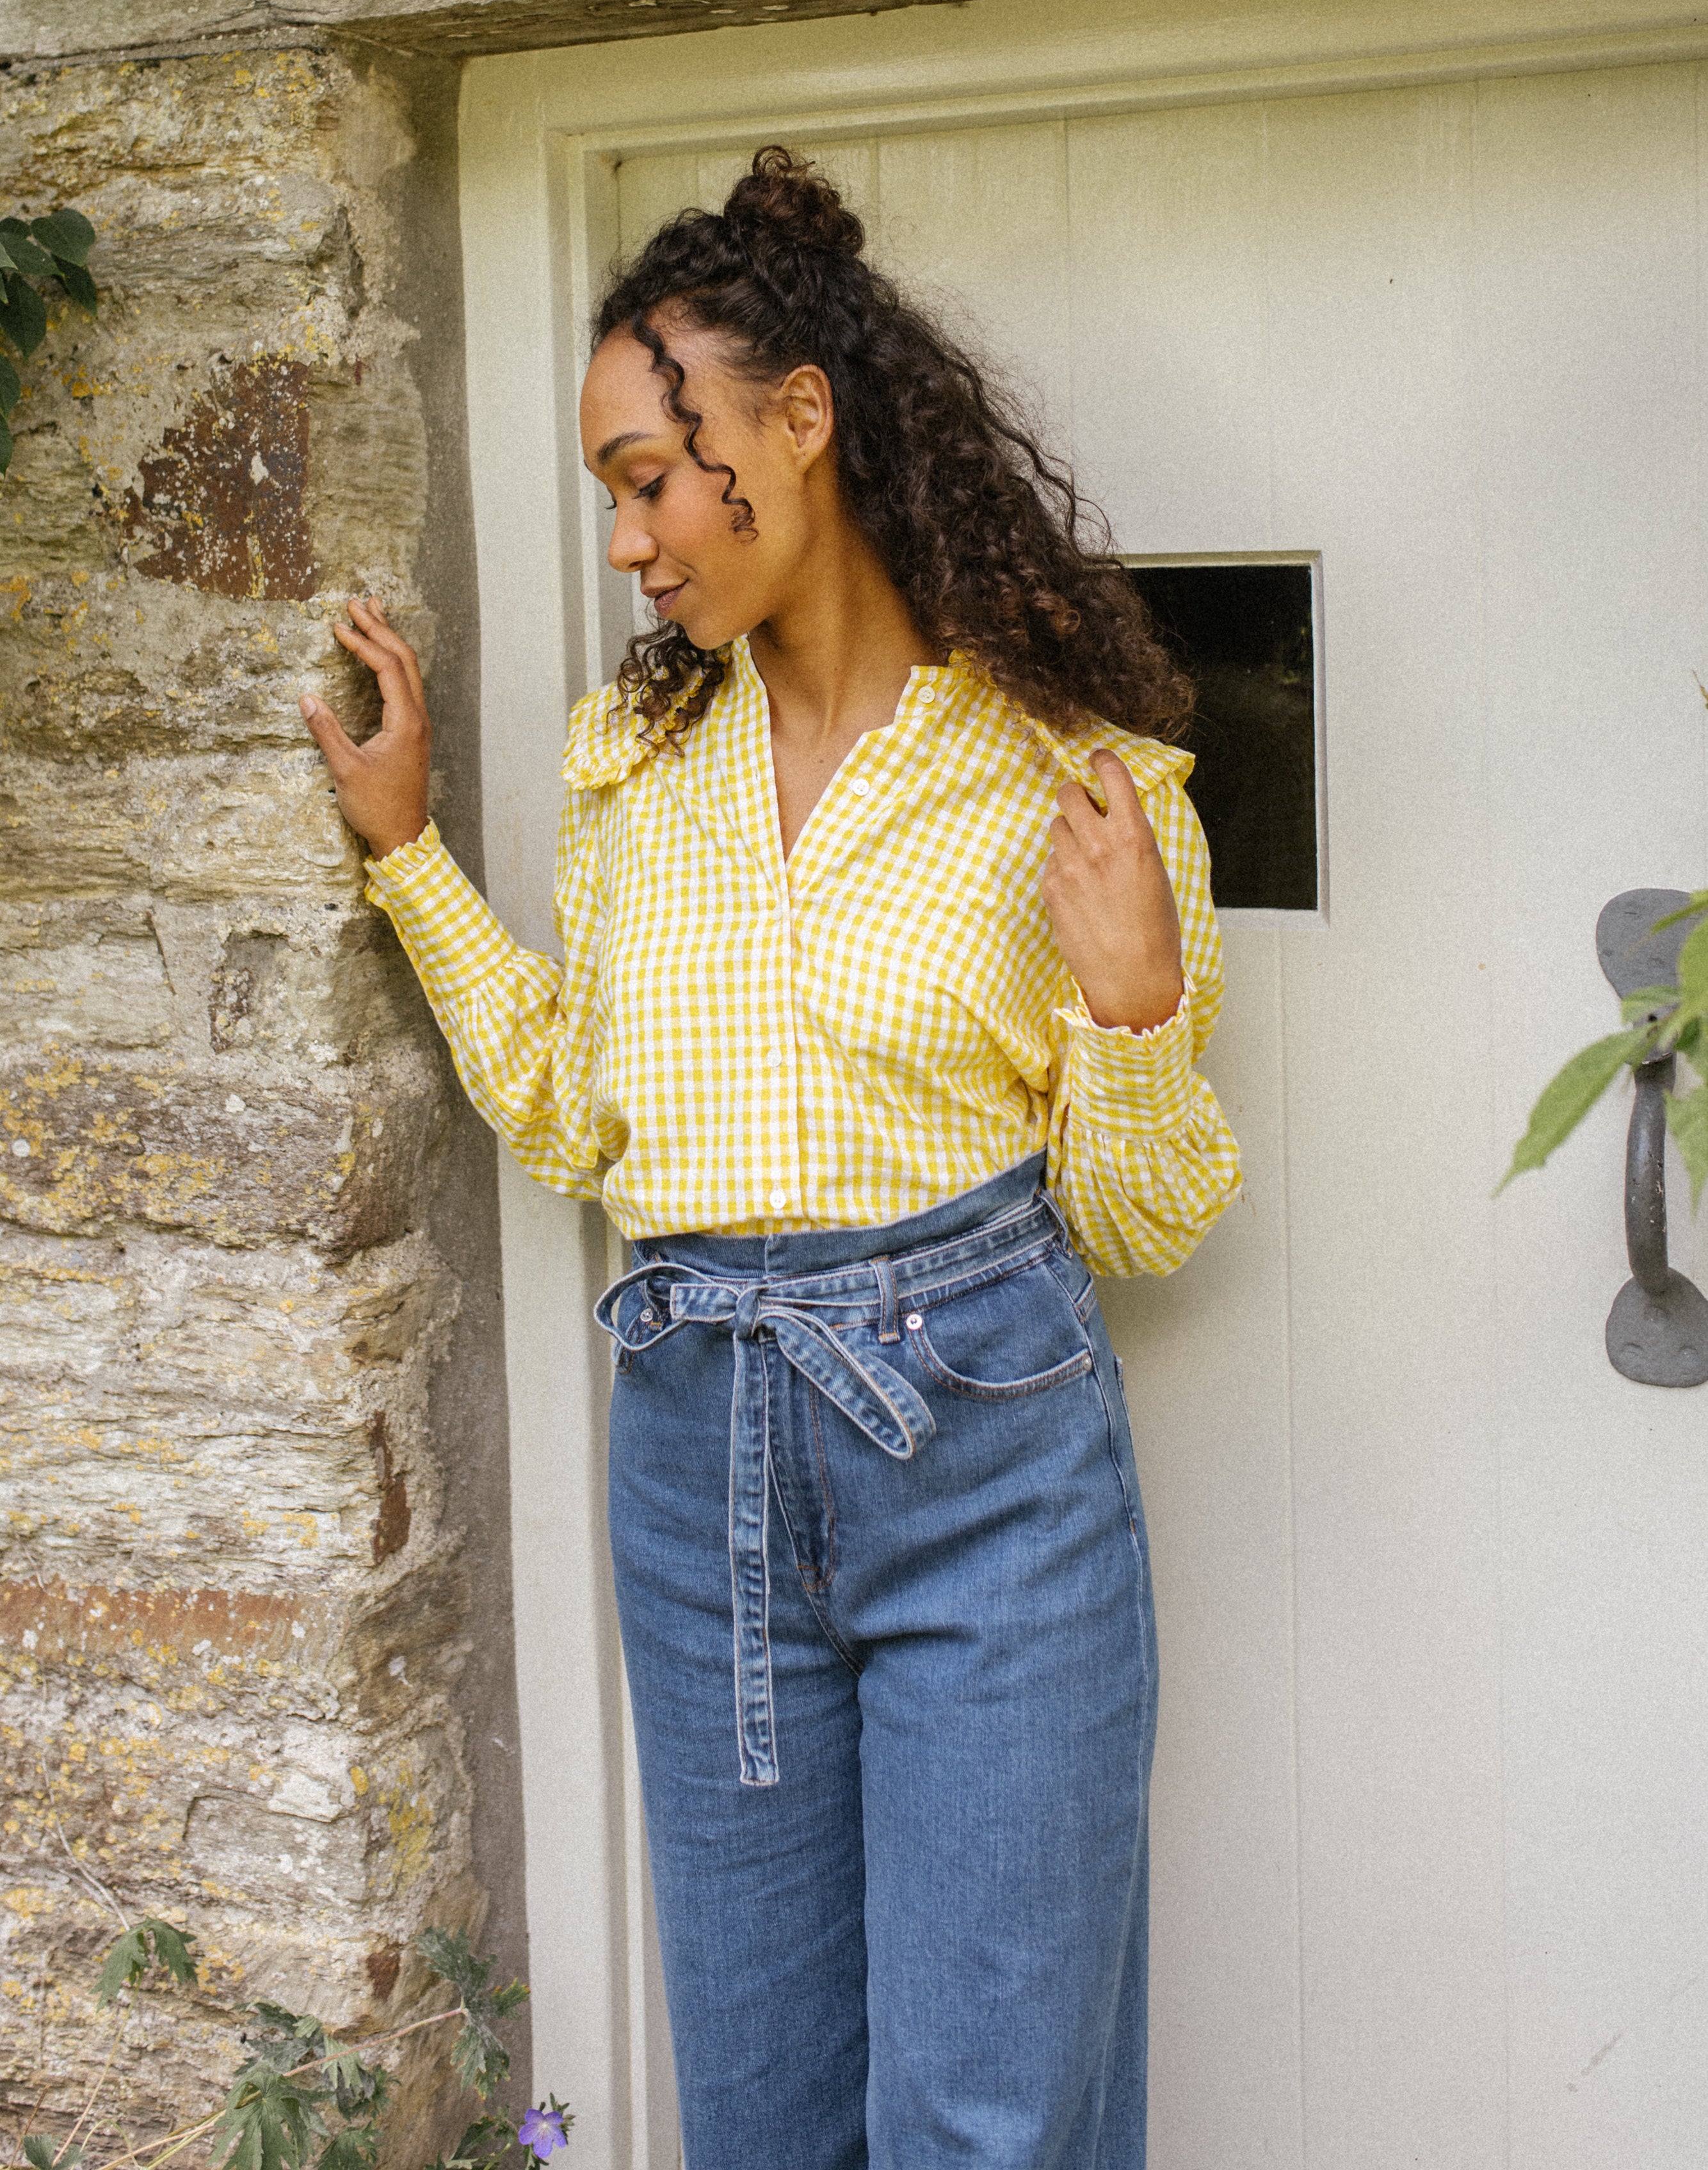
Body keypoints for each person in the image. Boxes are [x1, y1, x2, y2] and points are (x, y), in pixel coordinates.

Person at [300, 147, 1241, 2170]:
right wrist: (410, 856)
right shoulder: (633, 764)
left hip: (984, 1458)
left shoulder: (1068, 776)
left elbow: (1150, 1216)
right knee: (764, 2110)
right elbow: (570, 1106)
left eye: (653, 473)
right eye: (613, 493)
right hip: (695, 1451)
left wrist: (1140, 1006)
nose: (631, 539)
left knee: (986, 2117)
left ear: (797, 423)